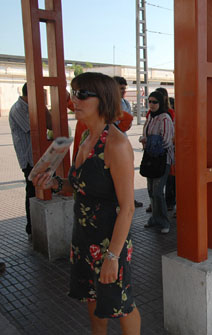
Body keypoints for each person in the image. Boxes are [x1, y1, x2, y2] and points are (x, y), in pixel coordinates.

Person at [32, 72, 141, 333]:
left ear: (102, 99)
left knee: (121, 305)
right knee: (92, 301)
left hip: (109, 242)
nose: (74, 100)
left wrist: (113, 257)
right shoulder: (84, 138)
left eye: (82, 94)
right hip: (83, 239)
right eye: (74, 93)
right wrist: (56, 184)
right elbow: (82, 186)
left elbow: (127, 207)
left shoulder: (116, 144)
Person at [9, 83, 52, 238]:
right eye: (42, 94)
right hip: (29, 159)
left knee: (41, 189)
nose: (44, 98)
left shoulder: (33, 108)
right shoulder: (19, 109)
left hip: (39, 158)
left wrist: (44, 107)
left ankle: (37, 226)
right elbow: (37, 128)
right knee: (32, 192)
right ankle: (32, 227)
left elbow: (50, 124)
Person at [141, 91, 175, 234]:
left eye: (155, 102)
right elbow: (146, 134)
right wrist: (149, 141)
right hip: (151, 158)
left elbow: (166, 141)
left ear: (160, 103)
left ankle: (164, 221)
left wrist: (148, 141)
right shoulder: (150, 117)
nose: (152, 104)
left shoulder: (165, 118)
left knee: (157, 191)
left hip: (163, 159)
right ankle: (155, 218)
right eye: (150, 101)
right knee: (151, 189)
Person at [113, 76, 142, 208]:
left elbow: (128, 123)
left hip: (123, 140)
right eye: (121, 88)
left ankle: (128, 198)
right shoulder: (107, 103)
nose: (123, 91)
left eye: (125, 88)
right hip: (111, 143)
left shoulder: (126, 103)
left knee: (127, 172)